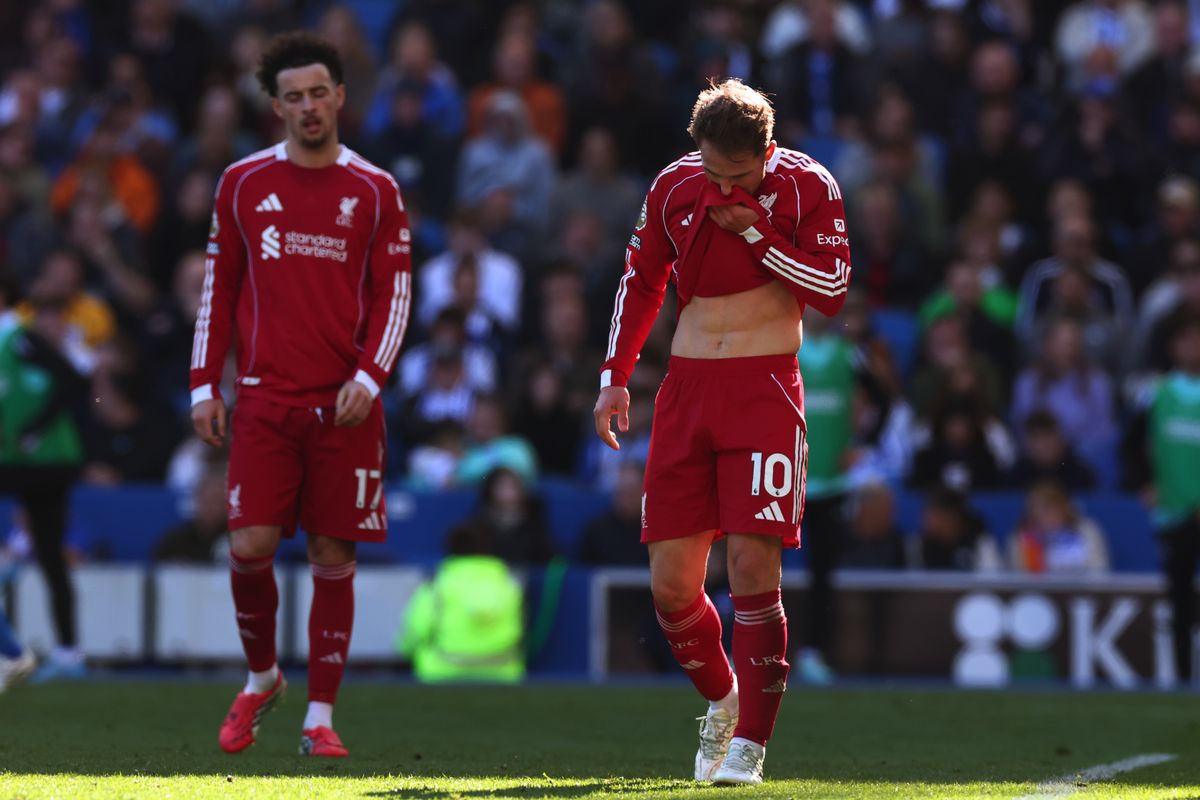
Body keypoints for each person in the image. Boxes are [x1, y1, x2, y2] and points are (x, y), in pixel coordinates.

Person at [593, 79, 851, 785]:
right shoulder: (675, 186)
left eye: (738, 175)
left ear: (769, 151)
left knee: (752, 572)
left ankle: (750, 750)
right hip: (686, 391)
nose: (721, 185)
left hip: (765, 388)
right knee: (673, 586)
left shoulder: (808, 186)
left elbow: (831, 291)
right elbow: (641, 279)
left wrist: (759, 236)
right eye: (712, 171)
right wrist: (615, 375)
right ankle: (723, 700)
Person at [189, 32, 412, 759]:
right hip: (262, 398)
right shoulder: (243, 183)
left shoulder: (375, 189)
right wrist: (203, 382)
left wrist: (369, 378)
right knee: (249, 546)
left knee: (330, 551)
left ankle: (320, 718)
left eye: (320, 93)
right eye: (294, 97)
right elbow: (218, 288)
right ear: (275, 106)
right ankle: (262, 678)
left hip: (345, 403)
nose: (309, 107)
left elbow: (396, 295)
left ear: (341, 97)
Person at [0, 276, 90, 683]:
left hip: (41, 460)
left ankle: (44, 652)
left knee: (52, 555)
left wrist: (34, 428)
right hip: (28, 459)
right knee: (52, 556)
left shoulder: (19, 338)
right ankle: (68, 653)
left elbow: (74, 380)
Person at [395, 521, 525, 683]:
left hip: (442, 671)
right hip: (503, 671)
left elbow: (416, 630)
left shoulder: (438, 584)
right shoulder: (510, 584)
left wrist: (404, 655)